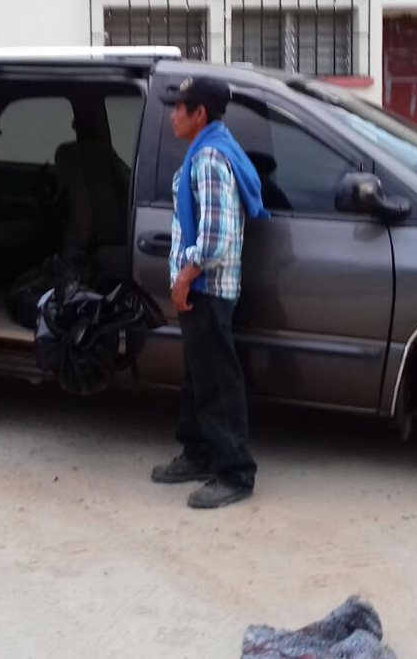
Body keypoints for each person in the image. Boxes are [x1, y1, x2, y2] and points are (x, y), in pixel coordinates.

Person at [151, 76, 269, 509]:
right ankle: (198, 453)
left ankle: (235, 473)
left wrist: (185, 278)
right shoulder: (210, 149)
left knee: (217, 381)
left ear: (199, 113)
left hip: (207, 287)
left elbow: (216, 238)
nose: (172, 115)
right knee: (198, 376)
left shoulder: (209, 158)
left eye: (178, 107)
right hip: (203, 287)